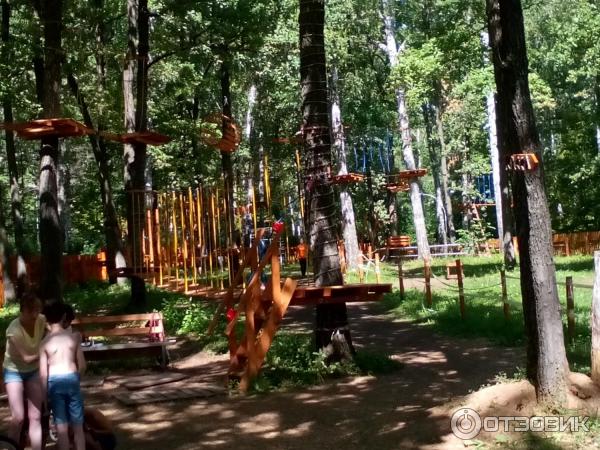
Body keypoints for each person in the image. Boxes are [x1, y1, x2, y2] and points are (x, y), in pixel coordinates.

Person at [40, 302, 87, 450]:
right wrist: (76, 380)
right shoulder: (74, 337)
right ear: (64, 316)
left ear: (47, 319)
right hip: (72, 379)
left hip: (54, 383)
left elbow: (43, 374)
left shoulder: (43, 343)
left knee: (61, 428)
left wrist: (44, 398)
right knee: (78, 426)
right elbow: (82, 366)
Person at [3, 293, 46, 450]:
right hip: (13, 371)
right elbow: (27, 358)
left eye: (37, 310)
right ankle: (10, 447)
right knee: (18, 417)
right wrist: (46, 351)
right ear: (22, 310)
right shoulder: (13, 330)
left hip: (33, 371)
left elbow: (54, 331)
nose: (34, 314)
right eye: (30, 311)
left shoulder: (41, 319)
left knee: (36, 416)